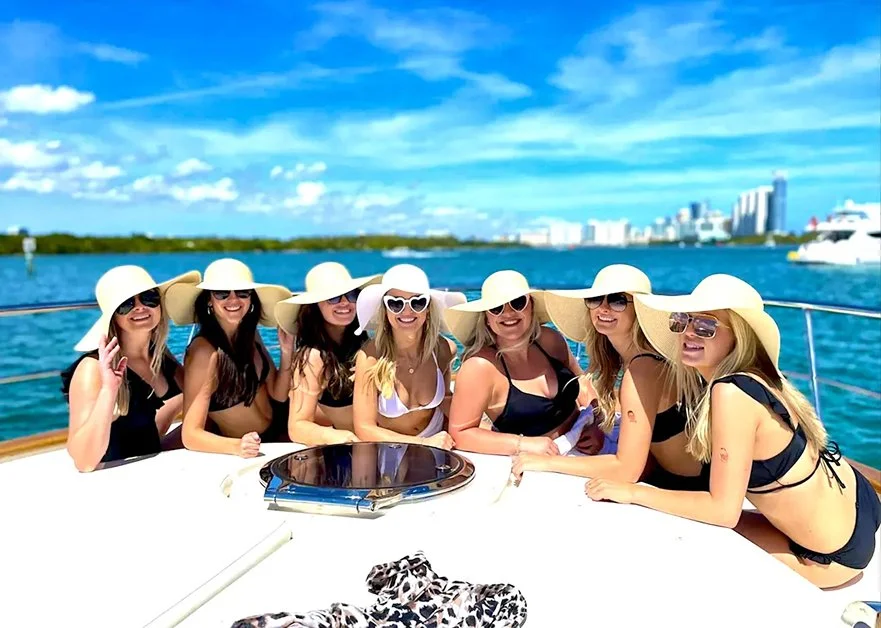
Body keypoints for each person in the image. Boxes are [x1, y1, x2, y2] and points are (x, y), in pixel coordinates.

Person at [586, 274, 881, 589]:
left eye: (706, 327)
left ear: (739, 336)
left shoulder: (730, 392)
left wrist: (634, 492)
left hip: (833, 556)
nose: (688, 334)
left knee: (682, 534)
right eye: (684, 321)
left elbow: (724, 512)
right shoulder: (758, 378)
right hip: (860, 502)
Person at [513, 264, 708, 489]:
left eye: (617, 300)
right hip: (667, 470)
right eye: (596, 299)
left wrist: (547, 462)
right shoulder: (646, 358)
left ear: (639, 311)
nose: (603, 308)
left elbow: (626, 469)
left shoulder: (641, 370)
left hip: (684, 485)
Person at [61, 265, 201, 472]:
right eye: (126, 304)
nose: (140, 307)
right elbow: (84, 461)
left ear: (159, 305)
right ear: (113, 317)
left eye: (149, 298)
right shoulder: (92, 369)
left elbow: (199, 398)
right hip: (112, 483)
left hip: (152, 469)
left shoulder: (161, 359)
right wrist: (109, 390)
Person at [445, 270, 598, 456]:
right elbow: (460, 434)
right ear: (487, 317)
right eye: (497, 308)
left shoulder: (550, 340)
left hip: (586, 440)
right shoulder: (479, 367)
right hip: (538, 462)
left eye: (518, 303)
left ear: (530, 306)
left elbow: (581, 382)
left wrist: (595, 423)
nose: (508, 313)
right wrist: (522, 444)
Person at [165, 258, 292, 457]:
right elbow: (190, 435)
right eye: (222, 294)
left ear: (251, 298)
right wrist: (237, 447)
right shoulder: (204, 352)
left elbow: (278, 394)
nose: (233, 300)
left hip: (280, 428)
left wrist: (286, 353)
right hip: (252, 444)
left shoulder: (249, 334)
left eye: (242, 293)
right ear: (209, 299)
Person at [351, 264, 465, 449]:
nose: (407, 311)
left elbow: (445, 400)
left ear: (428, 308)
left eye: (417, 302)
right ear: (385, 310)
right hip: (390, 445)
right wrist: (422, 443)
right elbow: (364, 428)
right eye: (395, 303)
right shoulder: (370, 357)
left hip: (437, 440)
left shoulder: (443, 349)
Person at [275, 262, 381, 446]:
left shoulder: (366, 345)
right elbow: (297, 426)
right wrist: (337, 437)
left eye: (351, 295)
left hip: (373, 441)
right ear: (315, 306)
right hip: (347, 448)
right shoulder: (313, 357)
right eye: (333, 297)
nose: (345, 303)